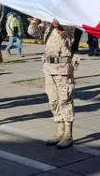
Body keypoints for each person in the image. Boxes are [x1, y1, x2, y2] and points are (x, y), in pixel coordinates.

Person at [37, 18, 79, 149]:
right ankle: (59, 130)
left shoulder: (69, 24)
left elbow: (68, 42)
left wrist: (60, 28)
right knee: (53, 100)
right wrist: (34, 22)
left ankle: (68, 134)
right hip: (49, 68)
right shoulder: (46, 23)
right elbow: (32, 32)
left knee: (65, 100)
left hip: (62, 69)